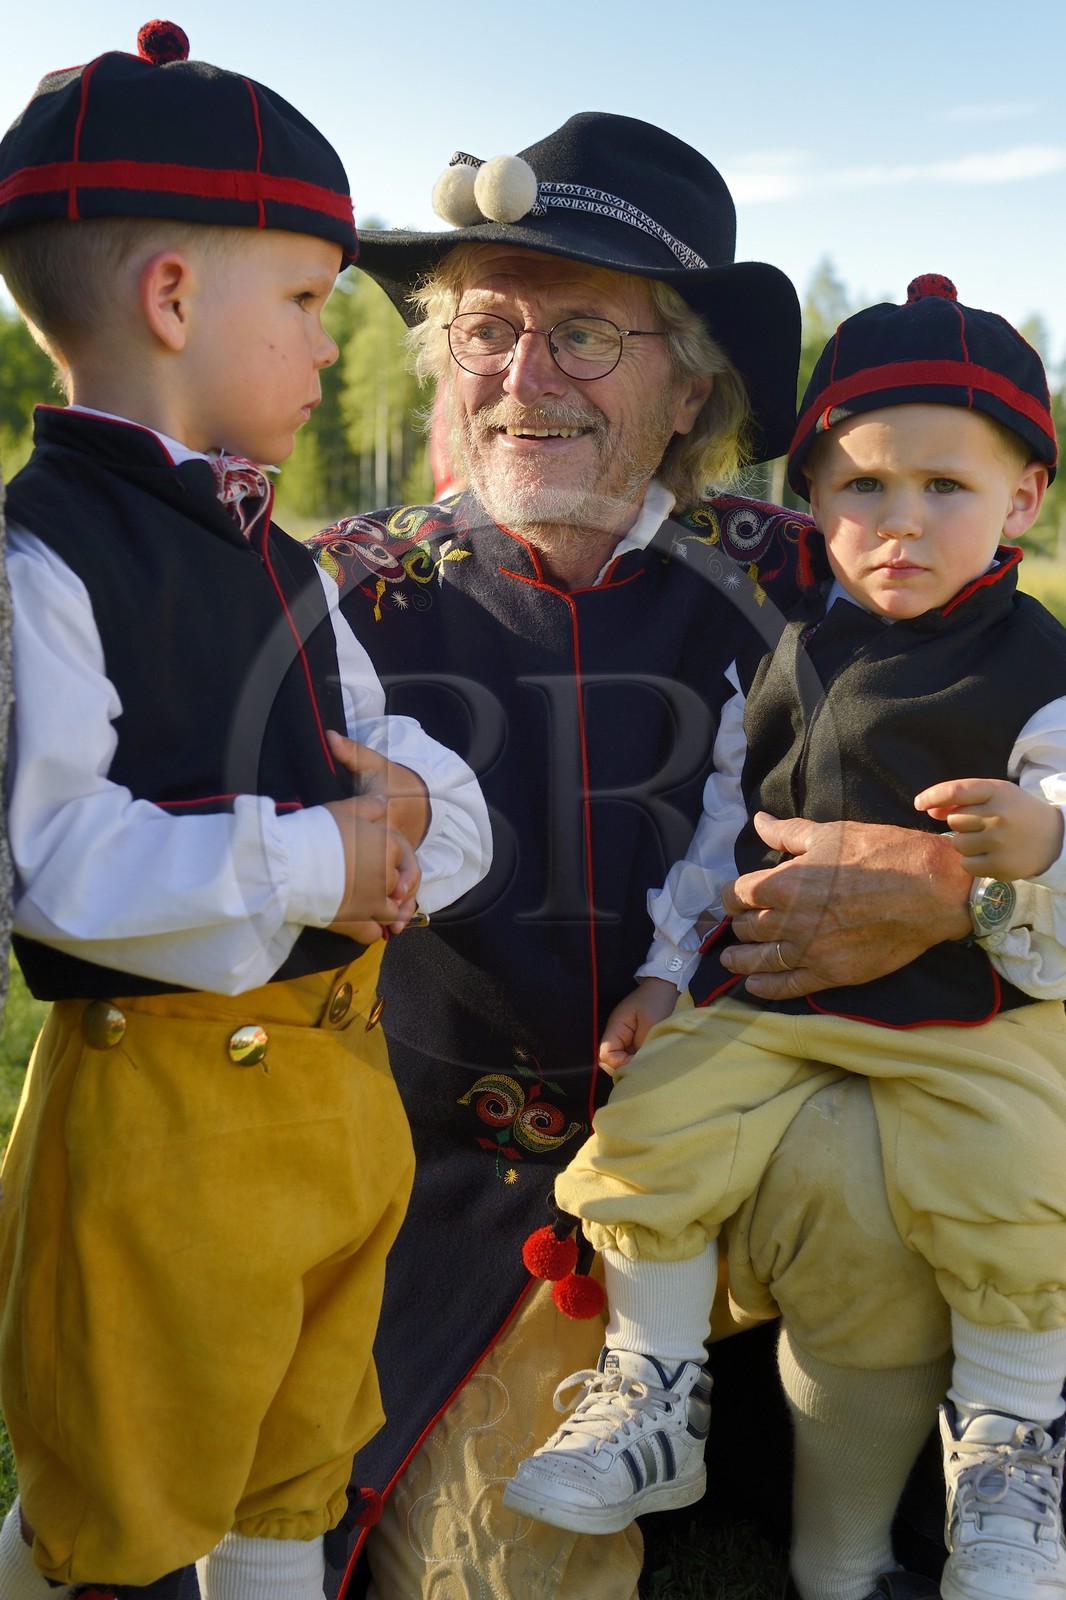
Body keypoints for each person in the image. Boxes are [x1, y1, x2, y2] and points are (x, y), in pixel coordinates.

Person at [309, 117, 1032, 1600]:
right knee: (505, 1575)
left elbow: (1035, 734)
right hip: (473, 1198)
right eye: (486, 329)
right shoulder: (349, 595)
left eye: (583, 334)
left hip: (782, 1128)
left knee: (868, 1165)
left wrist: (963, 884)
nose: (521, 379)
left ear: (689, 377)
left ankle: (859, 1534)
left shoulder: (808, 570)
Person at [0, 22, 490, 1600]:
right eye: (305, 304)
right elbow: (49, 862)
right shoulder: (42, 565)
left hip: (338, 1100)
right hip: (160, 1126)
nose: (322, 344)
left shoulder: (282, 561)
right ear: (170, 301)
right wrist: (309, 856)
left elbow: (392, 758)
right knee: (123, 1497)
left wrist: (414, 812)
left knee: (294, 1464)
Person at [507, 274, 1066, 1600]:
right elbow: (723, 821)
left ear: (1021, 503)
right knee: (647, 1131)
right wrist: (659, 974)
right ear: (811, 502)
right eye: (860, 487)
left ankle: (1004, 1458)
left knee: (1012, 1181)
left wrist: (1031, 846)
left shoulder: (1034, 663)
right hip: (767, 999)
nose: (898, 523)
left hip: (966, 1009)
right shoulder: (787, 649)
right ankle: (650, 1391)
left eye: (944, 486)